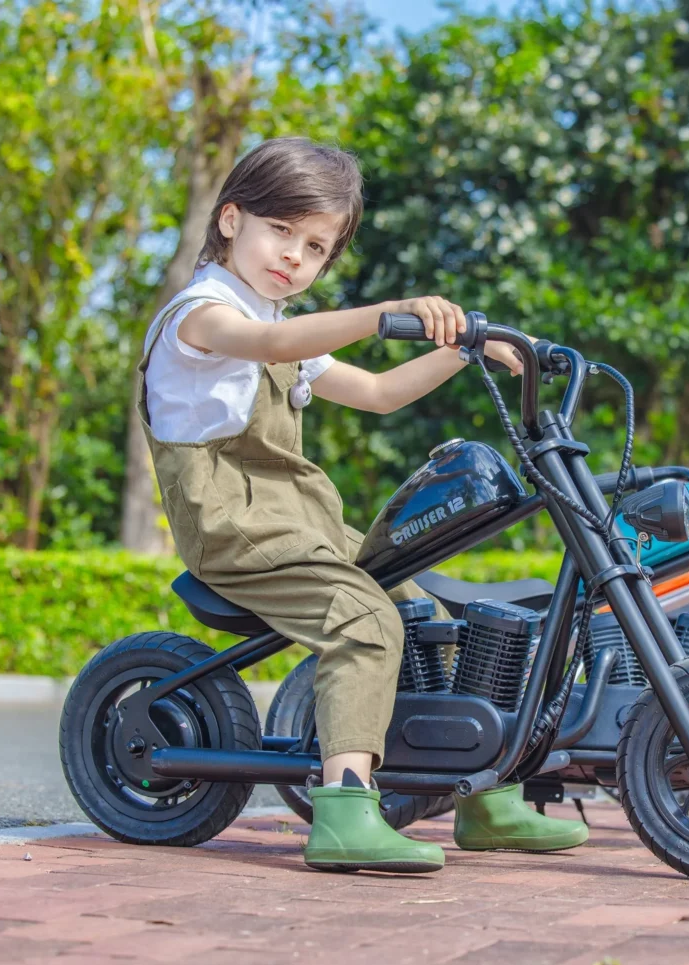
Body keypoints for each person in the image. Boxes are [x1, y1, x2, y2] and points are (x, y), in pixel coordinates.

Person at [138, 136, 588, 873]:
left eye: (315, 247)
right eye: (280, 230)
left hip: (302, 525)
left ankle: (480, 792)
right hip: (234, 530)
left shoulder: (274, 319)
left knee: (425, 609)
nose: (294, 257)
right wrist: (388, 311)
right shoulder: (203, 314)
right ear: (230, 220)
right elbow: (266, 341)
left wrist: (469, 345)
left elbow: (378, 394)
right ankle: (344, 810)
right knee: (364, 618)